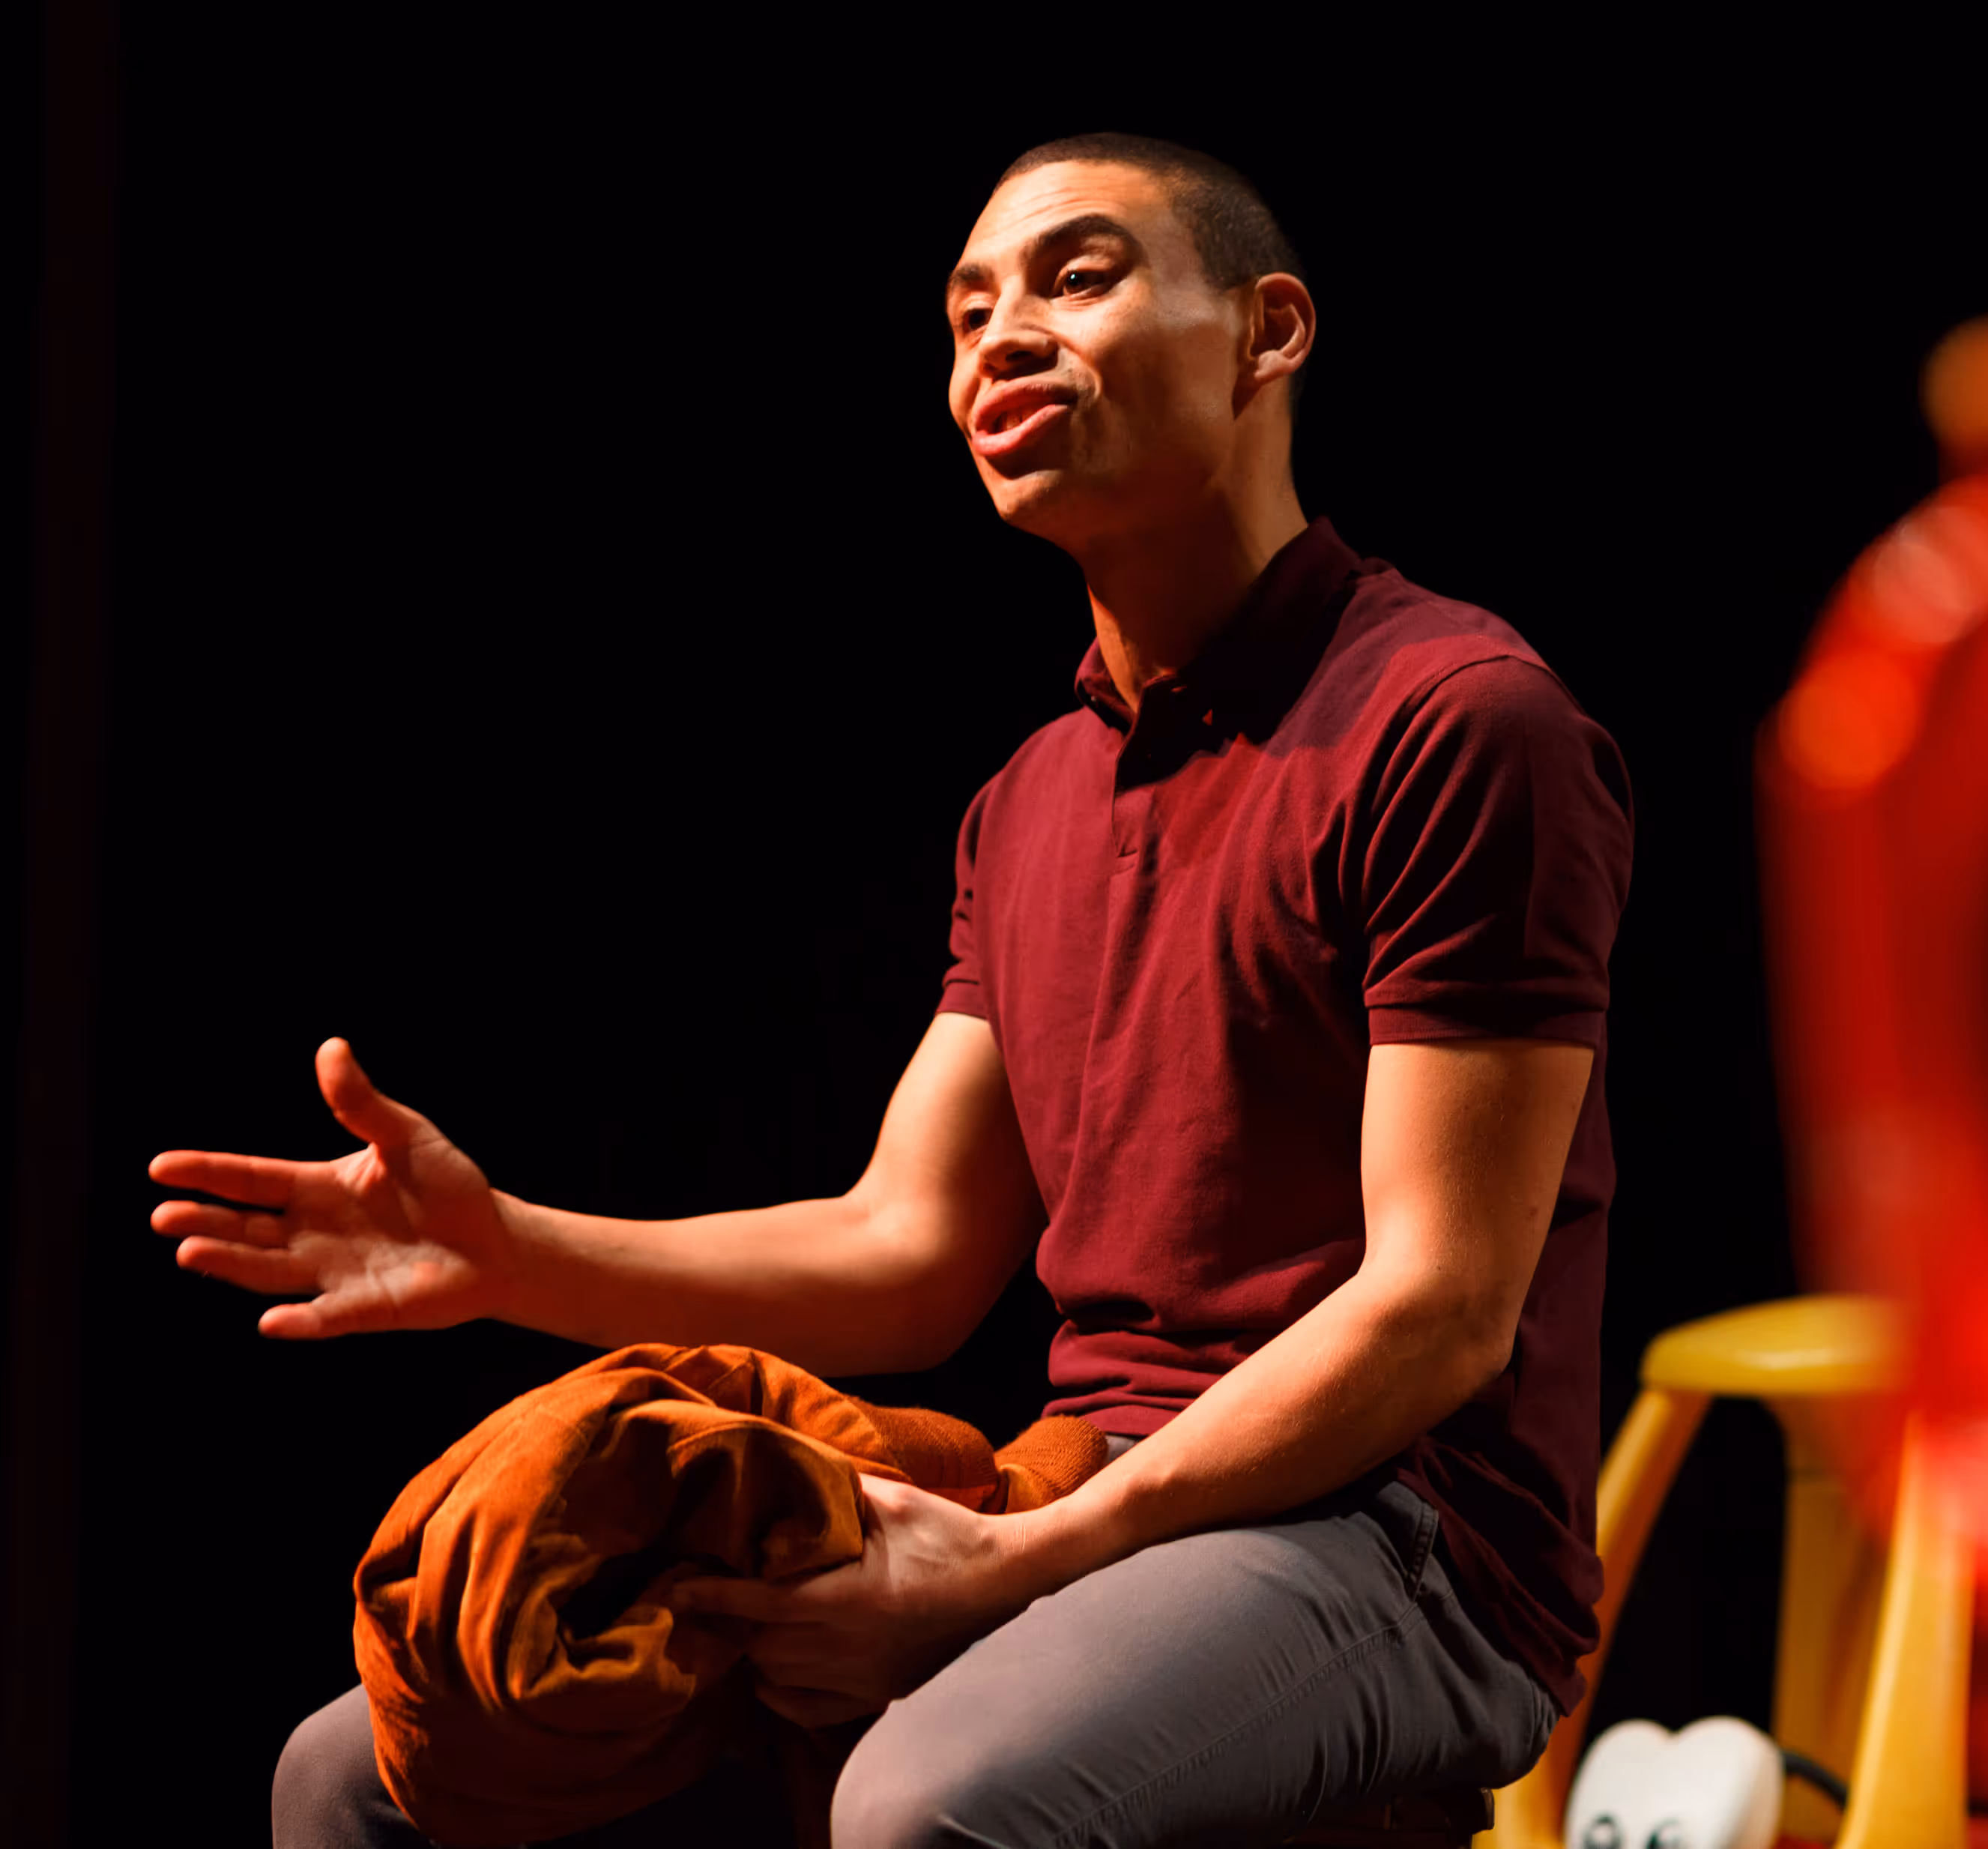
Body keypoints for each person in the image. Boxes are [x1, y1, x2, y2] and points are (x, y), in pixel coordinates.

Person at [154, 131, 1634, 1849]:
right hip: (1086, 1481)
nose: (997, 340)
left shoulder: (1454, 718)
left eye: (1076, 276)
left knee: (929, 1805)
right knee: (358, 1768)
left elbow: (1441, 1307)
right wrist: (507, 1253)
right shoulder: (1027, 800)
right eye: (965, 312)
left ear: (1267, 330)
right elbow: (909, 1250)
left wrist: (1014, 1566)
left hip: (1405, 1529)